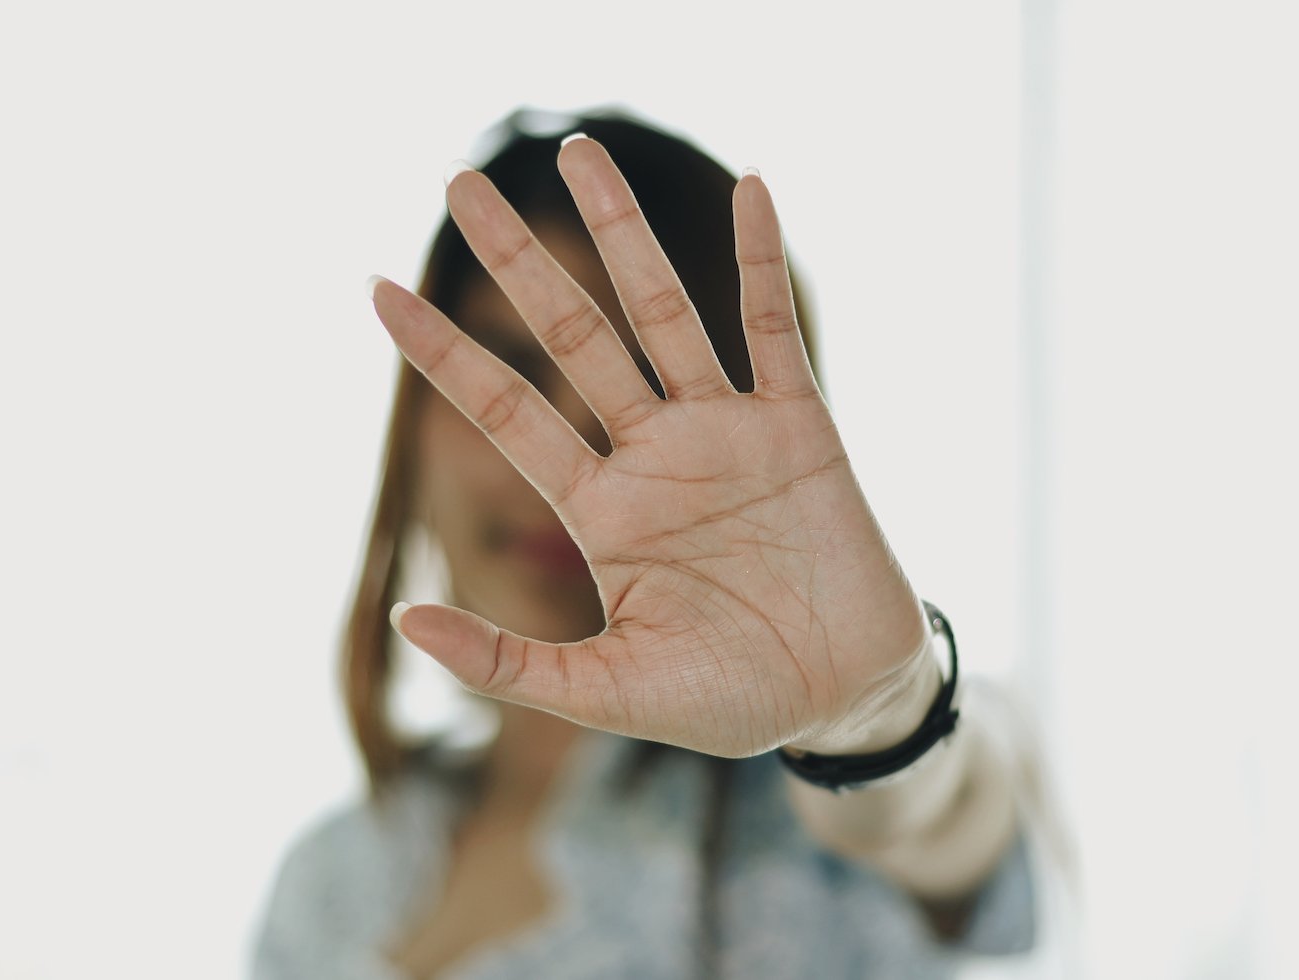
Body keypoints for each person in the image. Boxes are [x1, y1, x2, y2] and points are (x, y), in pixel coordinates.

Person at [253, 108, 1045, 979]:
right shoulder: (329, 881)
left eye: (652, 390)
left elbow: (947, 818)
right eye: (509, 364)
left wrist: (879, 716)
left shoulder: (800, 824)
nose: (567, 452)